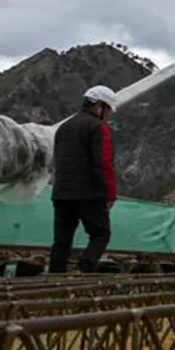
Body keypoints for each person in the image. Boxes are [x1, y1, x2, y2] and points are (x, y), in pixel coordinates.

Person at [48, 85, 118, 274]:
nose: (109, 115)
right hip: (90, 193)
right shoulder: (99, 128)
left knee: (62, 239)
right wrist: (110, 194)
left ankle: (55, 274)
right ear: (98, 106)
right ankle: (83, 270)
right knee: (101, 234)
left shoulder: (63, 127)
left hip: (62, 192)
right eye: (108, 109)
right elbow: (103, 164)